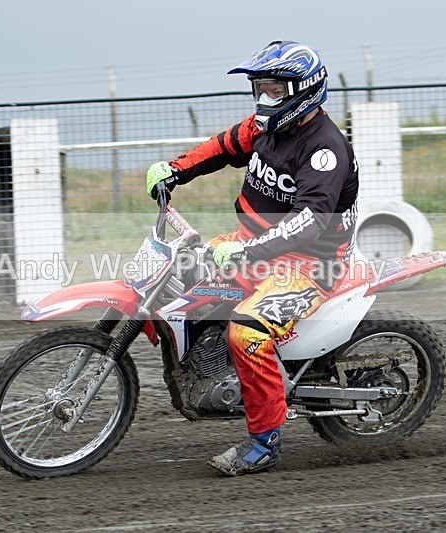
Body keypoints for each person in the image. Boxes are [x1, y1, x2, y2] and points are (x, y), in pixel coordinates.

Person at [145, 41, 359, 476]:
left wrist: (244, 251)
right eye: (260, 89)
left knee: (246, 333)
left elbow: (310, 222)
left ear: (303, 91)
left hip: (307, 265)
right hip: (252, 243)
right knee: (172, 277)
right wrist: (176, 169)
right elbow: (223, 147)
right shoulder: (266, 127)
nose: (265, 99)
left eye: (275, 90)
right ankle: (202, 369)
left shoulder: (325, 149)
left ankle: (265, 439)